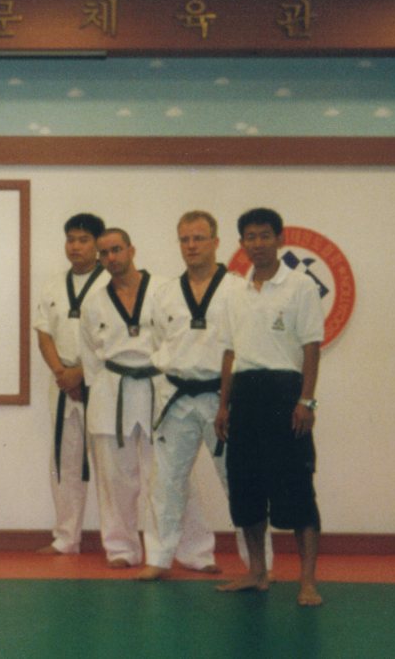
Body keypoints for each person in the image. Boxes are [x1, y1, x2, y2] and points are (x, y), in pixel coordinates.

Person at [138, 211, 272, 580]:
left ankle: (260, 563)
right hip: (177, 395)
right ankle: (159, 558)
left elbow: (248, 344)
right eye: (185, 239)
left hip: (222, 396)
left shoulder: (238, 289)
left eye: (199, 238)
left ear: (216, 242)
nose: (191, 246)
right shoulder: (165, 293)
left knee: (240, 481)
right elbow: (158, 342)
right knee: (166, 482)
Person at [79, 227, 211, 568]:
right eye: (104, 253)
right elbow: (89, 356)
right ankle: (121, 549)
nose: (111, 257)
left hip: (159, 387)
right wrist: (97, 393)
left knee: (173, 474)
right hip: (112, 391)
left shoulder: (165, 290)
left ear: (131, 249)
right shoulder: (94, 301)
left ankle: (194, 551)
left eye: (116, 249)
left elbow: (181, 338)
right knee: (114, 479)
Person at [216, 208, 324, 606]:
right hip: (244, 394)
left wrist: (306, 400)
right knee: (245, 487)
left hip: (285, 393)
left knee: (297, 489)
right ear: (241, 243)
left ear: (279, 239)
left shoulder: (300, 286)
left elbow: (311, 346)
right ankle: (257, 572)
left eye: (264, 235)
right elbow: (229, 352)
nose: (257, 243)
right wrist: (223, 405)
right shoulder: (233, 290)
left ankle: (307, 582)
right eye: (250, 237)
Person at [33, 213, 106, 555]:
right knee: (65, 460)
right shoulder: (53, 285)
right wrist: (63, 374)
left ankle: (118, 542)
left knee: (110, 464)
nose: (75, 247)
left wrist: (83, 373)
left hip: (102, 380)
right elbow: (43, 334)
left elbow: (113, 338)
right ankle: (66, 538)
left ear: (97, 244)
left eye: (83, 240)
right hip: (62, 381)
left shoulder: (111, 282)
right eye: (71, 239)